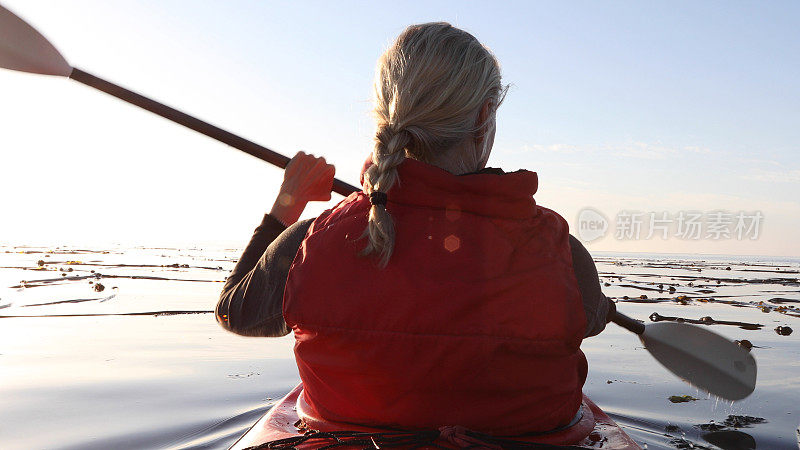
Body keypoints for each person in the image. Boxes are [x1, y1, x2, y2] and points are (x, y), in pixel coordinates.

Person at [216, 22, 615, 436]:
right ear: (483, 117)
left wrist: (288, 203)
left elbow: (233, 311)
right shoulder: (564, 254)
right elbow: (587, 319)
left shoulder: (307, 245)